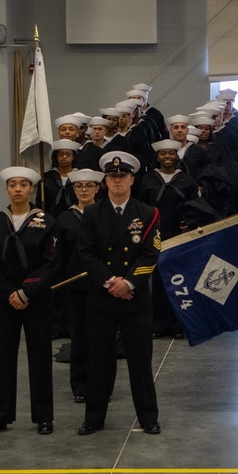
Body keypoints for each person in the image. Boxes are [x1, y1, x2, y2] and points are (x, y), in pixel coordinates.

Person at [77, 151, 163, 435]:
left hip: (135, 298)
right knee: (99, 361)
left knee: (140, 362)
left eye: (122, 176)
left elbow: (150, 255)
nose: (117, 181)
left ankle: (148, 417)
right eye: (112, 176)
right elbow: (86, 253)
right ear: (105, 181)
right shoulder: (92, 213)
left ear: (132, 180)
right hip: (101, 298)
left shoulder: (148, 213)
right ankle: (94, 418)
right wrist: (111, 282)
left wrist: (128, 283)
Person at [0, 167, 60, 435]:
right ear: (6, 189)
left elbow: (51, 263)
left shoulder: (46, 222)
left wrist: (26, 292)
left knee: (40, 357)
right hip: (5, 301)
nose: (17, 189)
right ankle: (0, 416)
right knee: (2, 357)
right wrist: (8, 292)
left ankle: (44, 416)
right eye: (12, 184)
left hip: (37, 300)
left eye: (23, 185)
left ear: (31, 189)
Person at [136, 139, 196, 339]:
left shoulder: (186, 179)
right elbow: (141, 208)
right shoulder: (148, 180)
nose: (167, 157)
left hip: (179, 236)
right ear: (158, 157)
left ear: (176, 156)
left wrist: (188, 223)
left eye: (171, 153)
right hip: (155, 236)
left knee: (179, 280)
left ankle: (178, 324)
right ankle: (158, 325)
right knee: (158, 281)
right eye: (163, 154)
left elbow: (195, 206)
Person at [52, 167, 103, 402]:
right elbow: (59, 257)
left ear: (97, 188)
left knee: (101, 337)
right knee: (79, 338)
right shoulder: (64, 219)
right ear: (73, 189)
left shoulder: (105, 214)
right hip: (75, 287)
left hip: (101, 285)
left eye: (89, 186)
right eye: (79, 186)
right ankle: (80, 386)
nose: (84, 190)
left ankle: (102, 386)